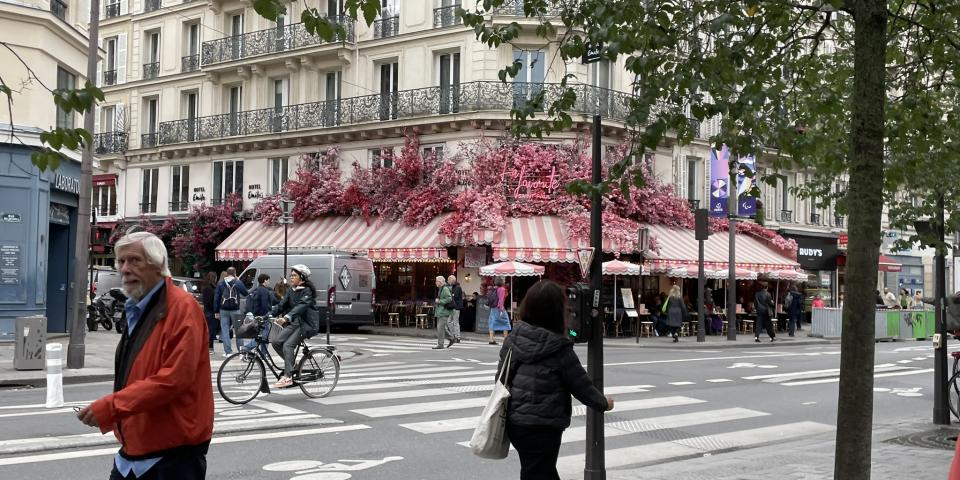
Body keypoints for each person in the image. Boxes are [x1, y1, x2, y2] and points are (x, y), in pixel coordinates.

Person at [76, 232, 214, 480]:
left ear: (158, 264)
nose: (125, 269)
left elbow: (173, 379)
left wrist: (111, 407)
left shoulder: (181, 307)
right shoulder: (138, 306)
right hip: (135, 451)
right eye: (121, 261)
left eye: (134, 260)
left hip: (171, 455)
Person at [498, 280, 613, 480]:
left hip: (516, 421)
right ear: (557, 311)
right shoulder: (559, 347)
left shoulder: (514, 338)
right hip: (544, 424)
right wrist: (604, 403)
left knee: (536, 470)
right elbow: (581, 386)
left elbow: (501, 378)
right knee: (538, 471)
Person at [270, 265, 320, 388]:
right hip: (295, 323)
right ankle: (293, 365)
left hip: (307, 325)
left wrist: (286, 317)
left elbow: (301, 306)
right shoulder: (291, 290)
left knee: (288, 345)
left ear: (302, 277)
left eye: (294, 275)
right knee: (276, 342)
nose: (291, 277)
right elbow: (281, 306)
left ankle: (288, 377)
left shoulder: (307, 291)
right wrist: (266, 315)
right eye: (291, 275)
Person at [214, 266, 249, 357]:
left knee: (225, 330)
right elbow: (245, 293)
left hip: (223, 310)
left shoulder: (221, 283)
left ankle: (228, 352)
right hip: (235, 309)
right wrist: (238, 281)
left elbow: (217, 298)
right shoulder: (237, 282)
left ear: (227, 273)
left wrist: (216, 311)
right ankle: (241, 352)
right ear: (235, 273)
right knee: (239, 331)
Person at [242, 274, 275, 356]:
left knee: (263, 336)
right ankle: (246, 348)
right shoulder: (264, 291)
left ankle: (264, 353)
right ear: (265, 280)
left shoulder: (257, 289)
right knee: (264, 336)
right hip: (263, 316)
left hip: (256, 315)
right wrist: (266, 315)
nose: (269, 282)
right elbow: (264, 305)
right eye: (268, 280)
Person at [433, 276, 456, 349]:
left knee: (440, 328)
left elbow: (449, 299)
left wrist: (439, 301)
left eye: (437, 281)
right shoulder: (441, 288)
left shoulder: (445, 288)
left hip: (444, 311)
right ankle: (452, 338)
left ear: (441, 282)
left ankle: (440, 344)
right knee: (442, 328)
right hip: (441, 311)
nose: (436, 282)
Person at [488, 278, 512, 345]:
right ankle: (505, 340)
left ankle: (491, 339)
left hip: (493, 308)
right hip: (499, 308)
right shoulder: (502, 289)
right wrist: (501, 310)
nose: (504, 281)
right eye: (503, 281)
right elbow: (501, 300)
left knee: (492, 322)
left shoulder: (493, 288)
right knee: (506, 322)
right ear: (501, 282)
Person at [200, 271, 218, 353]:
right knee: (210, 330)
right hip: (210, 311)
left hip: (208, 311)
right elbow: (209, 301)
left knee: (209, 330)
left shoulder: (206, 287)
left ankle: (209, 347)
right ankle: (210, 347)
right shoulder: (210, 288)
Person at [446, 274, 464, 344]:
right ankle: (453, 335)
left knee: (455, 322)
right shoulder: (450, 287)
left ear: (452, 280)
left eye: (448, 280)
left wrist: (450, 296)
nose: (447, 281)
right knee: (449, 322)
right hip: (451, 307)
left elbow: (454, 296)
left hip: (456, 307)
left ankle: (457, 337)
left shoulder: (457, 287)